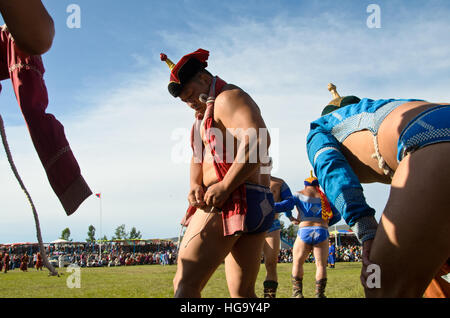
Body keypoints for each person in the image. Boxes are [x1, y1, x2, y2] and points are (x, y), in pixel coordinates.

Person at [307, 83, 450, 297]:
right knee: (430, 266)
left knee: (378, 282)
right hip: (436, 127)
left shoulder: (322, 126)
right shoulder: (397, 106)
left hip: (433, 142)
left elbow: (332, 169)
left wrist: (366, 229)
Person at [161, 49, 274, 298]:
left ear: (203, 78)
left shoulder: (226, 98)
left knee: (184, 284)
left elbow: (258, 140)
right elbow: (198, 156)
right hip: (254, 201)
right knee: (242, 295)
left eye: (190, 94)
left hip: (232, 199)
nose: (190, 102)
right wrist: (193, 183)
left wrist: (225, 186)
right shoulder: (205, 115)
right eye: (185, 101)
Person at [291, 173, 341, 298]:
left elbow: (287, 205)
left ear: (305, 185)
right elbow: (337, 215)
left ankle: (297, 294)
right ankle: (319, 294)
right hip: (321, 230)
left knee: (297, 263)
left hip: (304, 229)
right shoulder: (326, 198)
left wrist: (290, 217)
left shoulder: (298, 194)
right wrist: (326, 224)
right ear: (317, 185)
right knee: (321, 265)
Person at [262, 176, 297, 298]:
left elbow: (290, 202)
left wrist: (271, 207)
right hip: (249, 227)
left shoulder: (279, 183)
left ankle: (269, 298)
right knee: (248, 266)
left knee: (271, 264)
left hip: (272, 225)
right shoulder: (246, 179)